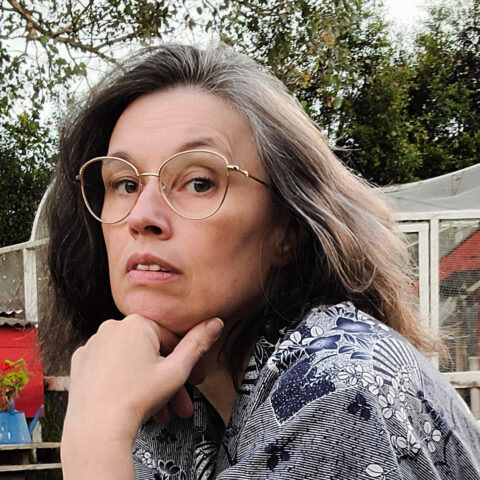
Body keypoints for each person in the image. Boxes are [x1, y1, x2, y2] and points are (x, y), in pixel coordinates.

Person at [42, 44, 480, 479]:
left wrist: (95, 438)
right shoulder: (166, 396)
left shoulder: (338, 389)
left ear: (286, 229)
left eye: (198, 182)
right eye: (123, 183)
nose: (142, 216)